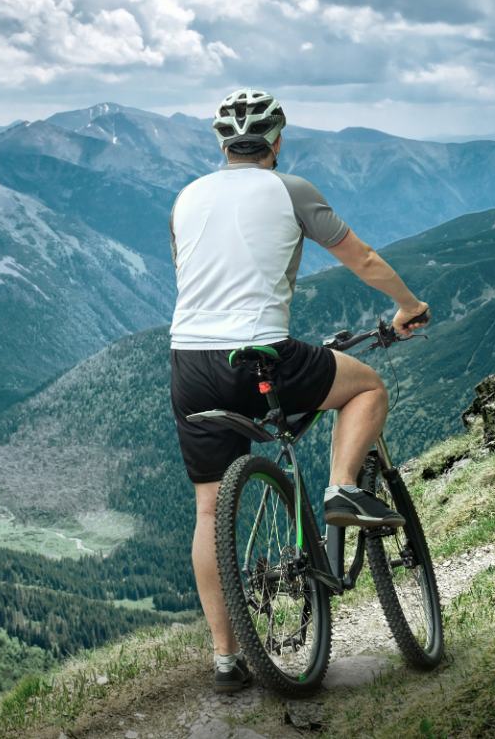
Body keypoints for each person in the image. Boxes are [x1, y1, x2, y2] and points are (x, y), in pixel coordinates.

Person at [168, 88, 430, 693]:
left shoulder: (185, 198)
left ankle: (227, 659)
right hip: (262, 354)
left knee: (209, 511)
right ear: (278, 141)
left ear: (222, 144)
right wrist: (407, 306)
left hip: (188, 362)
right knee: (366, 388)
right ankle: (342, 488)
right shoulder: (291, 190)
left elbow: (196, 275)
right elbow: (359, 257)